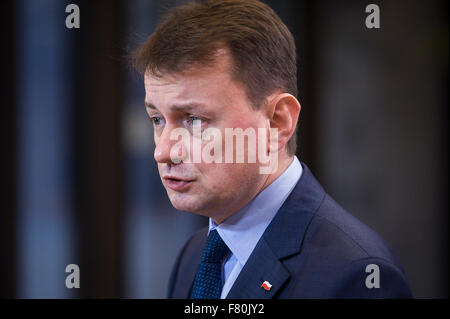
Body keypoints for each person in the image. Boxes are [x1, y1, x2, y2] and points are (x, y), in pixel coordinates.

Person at [132, 0, 412, 298]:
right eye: (157, 119)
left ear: (278, 121)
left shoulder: (357, 275)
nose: (163, 151)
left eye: (195, 120)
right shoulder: (192, 255)